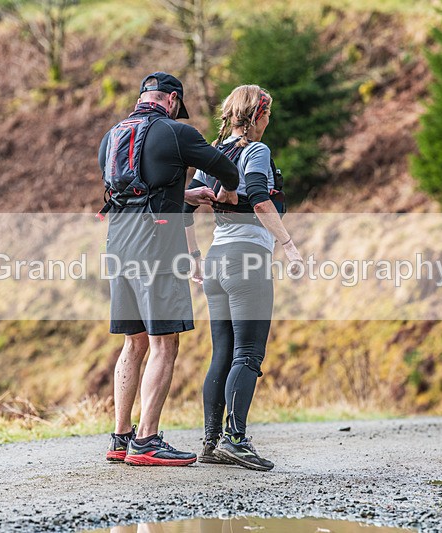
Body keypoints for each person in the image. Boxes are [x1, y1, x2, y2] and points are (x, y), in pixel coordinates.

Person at [98, 72, 239, 465]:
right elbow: (227, 170)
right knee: (165, 342)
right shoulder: (177, 132)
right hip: (156, 247)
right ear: (173, 100)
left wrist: (184, 195)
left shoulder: (113, 135)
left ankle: (121, 437)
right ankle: (147, 441)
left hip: (117, 243)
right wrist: (227, 193)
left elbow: (137, 190)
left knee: (134, 342)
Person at [184, 85, 303, 471]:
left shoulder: (213, 154)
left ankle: (211, 442)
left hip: (217, 259)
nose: (269, 121)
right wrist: (289, 245)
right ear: (259, 115)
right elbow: (260, 198)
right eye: (268, 114)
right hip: (247, 260)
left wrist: (194, 257)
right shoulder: (257, 150)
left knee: (222, 353)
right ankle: (235, 440)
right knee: (248, 354)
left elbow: (184, 205)